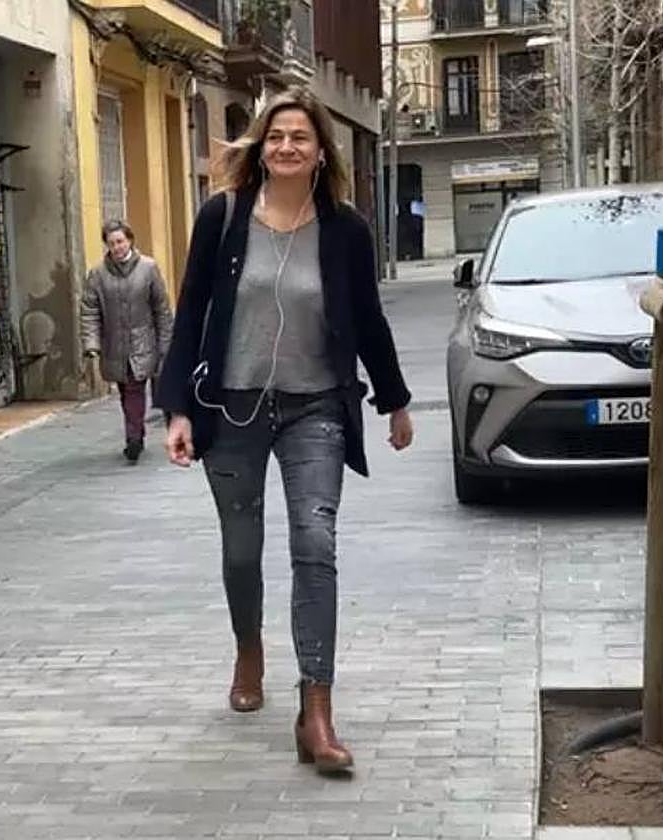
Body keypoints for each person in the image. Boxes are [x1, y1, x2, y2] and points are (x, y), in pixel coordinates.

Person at [154, 89, 414, 774]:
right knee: (243, 551)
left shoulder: (346, 229)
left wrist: (394, 400)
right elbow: (191, 314)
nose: (287, 146)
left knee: (315, 543)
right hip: (232, 409)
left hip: (316, 409)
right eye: (276, 136)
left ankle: (316, 710)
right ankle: (249, 650)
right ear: (261, 148)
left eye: (300, 136)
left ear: (321, 150)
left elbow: (368, 318)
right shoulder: (224, 217)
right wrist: (176, 408)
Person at [81, 220, 174, 463]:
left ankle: (133, 439)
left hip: (144, 341)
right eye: (112, 243)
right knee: (126, 390)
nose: (117, 247)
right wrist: (91, 343)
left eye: (120, 241)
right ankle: (136, 432)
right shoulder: (98, 274)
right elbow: (90, 310)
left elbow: (161, 308)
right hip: (114, 344)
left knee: (135, 387)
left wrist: (166, 341)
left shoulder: (148, 268)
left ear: (130, 240)